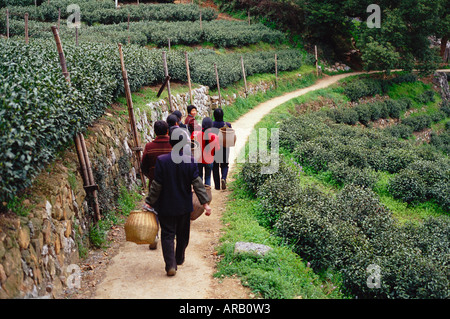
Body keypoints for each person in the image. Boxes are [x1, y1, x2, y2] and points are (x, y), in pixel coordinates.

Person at [145, 127, 211, 276]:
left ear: (171, 142)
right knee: (183, 235)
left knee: (167, 234)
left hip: (166, 206)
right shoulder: (190, 161)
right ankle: (179, 258)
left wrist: (149, 202)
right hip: (184, 206)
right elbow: (198, 184)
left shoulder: (162, 161)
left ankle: (170, 265)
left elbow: (157, 185)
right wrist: (205, 204)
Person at [140, 120, 172, 250]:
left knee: (154, 209)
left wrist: (151, 176)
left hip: (154, 183)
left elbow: (143, 166)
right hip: (172, 183)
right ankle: (169, 234)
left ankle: (154, 235)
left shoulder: (149, 146)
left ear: (155, 132)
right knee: (170, 208)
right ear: (167, 131)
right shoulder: (173, 145)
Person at [191, 117, 220, 187]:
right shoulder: (214, 136)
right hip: (209, 160)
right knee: (208, 177)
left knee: (200, 176)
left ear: (202, 125)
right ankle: (207, 193)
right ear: (211, 126)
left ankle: (200, 193)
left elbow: (191, 144)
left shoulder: (195, 134)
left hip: (199, 160)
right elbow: (217, 149)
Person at [212, 108, 232, 190]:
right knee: (225, 165)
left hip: (214, 148)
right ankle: (223, 178)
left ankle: (217, 186)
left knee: (215, 166)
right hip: (225, 147)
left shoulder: (211, 125)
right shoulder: (227, 125)